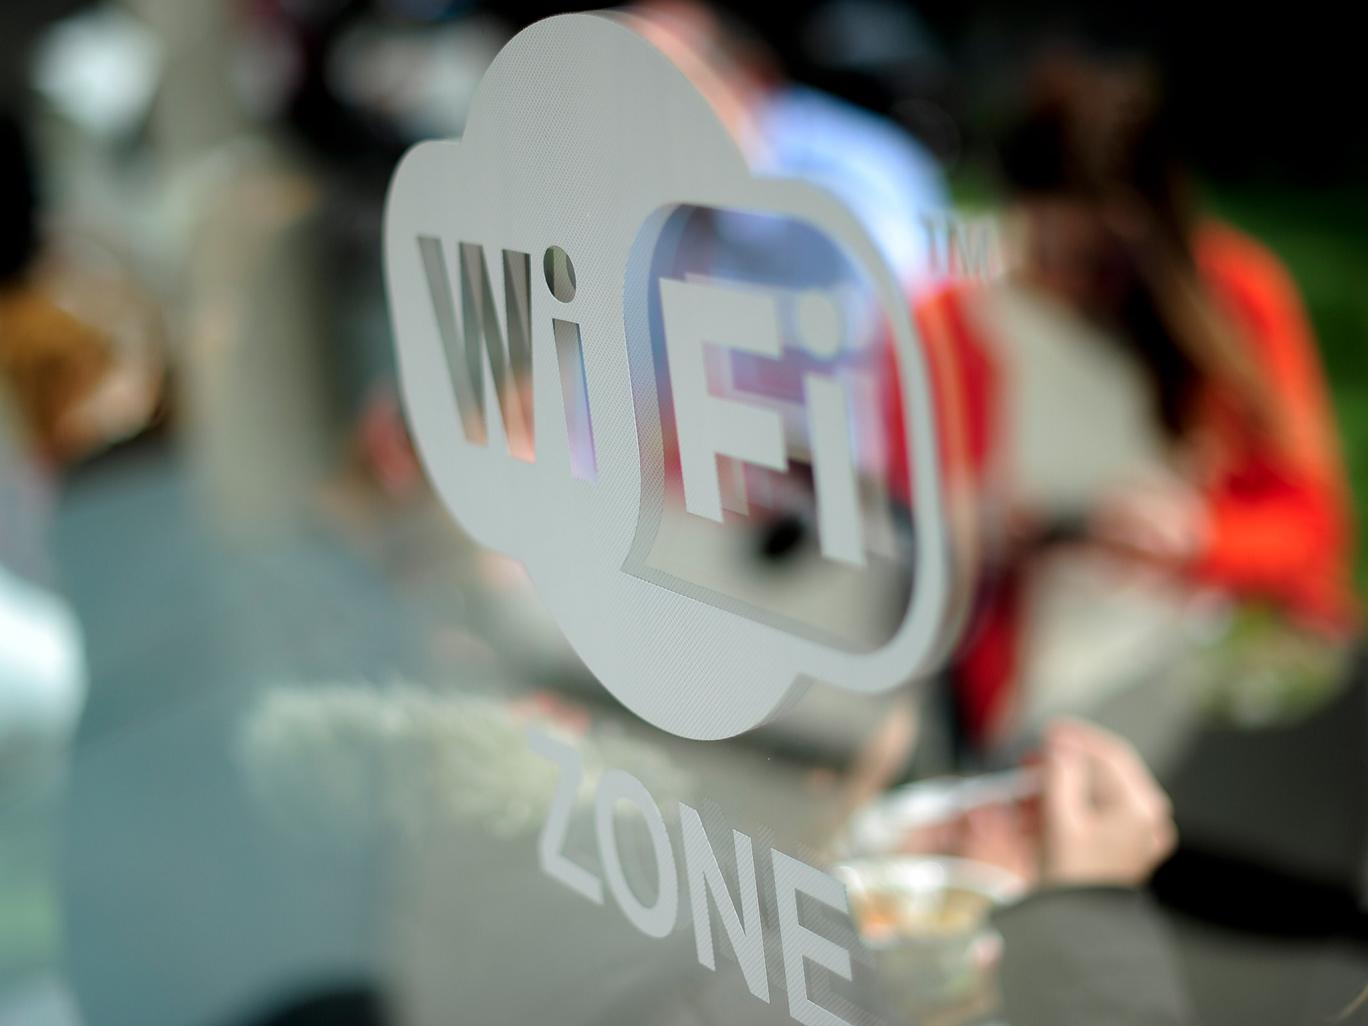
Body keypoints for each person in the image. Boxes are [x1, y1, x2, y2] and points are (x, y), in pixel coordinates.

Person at [884, 52, 1358, 746]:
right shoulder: (956, 317)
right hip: (1013, 691)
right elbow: (904, 520)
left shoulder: (1231, 302)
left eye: (1097, 261)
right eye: (1043, 249)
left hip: (1195, 690)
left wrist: (1201, 537)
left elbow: (1311, 528)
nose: (1067, 281)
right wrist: (982, 532)